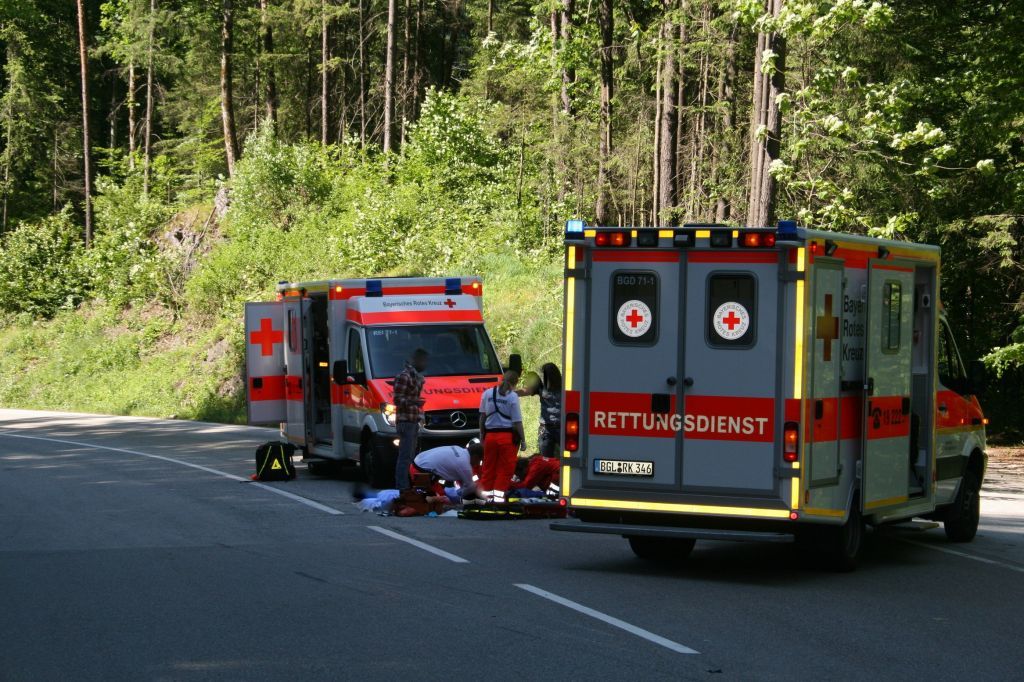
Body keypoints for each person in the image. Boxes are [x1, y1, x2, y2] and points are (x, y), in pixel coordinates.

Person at [478, 369, 526, 504]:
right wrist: (523, 440)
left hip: (490, 437)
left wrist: (482, 435)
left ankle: (485, 499)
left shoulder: (487, 393)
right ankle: (498, 501)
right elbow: (517, 422)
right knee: (504, 470)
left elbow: (482, 417)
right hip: (507, 438)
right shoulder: (512, 397)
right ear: (515, 383)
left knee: (488, 468)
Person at [393, 348, 428, 489]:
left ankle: (407, 486)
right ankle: (402, 487)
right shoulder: (404, 376)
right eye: (423, 361)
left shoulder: (416, 377)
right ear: (417, 360)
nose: (425, 364)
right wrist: (414, 402)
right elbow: (397, 399)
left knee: (410, 456)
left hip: (412, 421)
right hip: (405, 421)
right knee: (405, 457)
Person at [410, 439, 485, 503]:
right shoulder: (465, 465)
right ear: (475, 457)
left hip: (416, 464)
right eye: (479, 461)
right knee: (444, 501)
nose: (478, 464)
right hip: (419, 473)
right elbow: (470, 488)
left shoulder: (458, 449)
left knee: (444, 495)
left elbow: (462, 480)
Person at [518, 363, 563, 458]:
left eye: (543, 374)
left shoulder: (566, 385)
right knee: (545, 459)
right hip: (546, 428)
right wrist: (507, 393)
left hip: (561, 427)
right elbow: (525, 391)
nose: (541, 376)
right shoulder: (541, 387)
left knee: (568, 458)